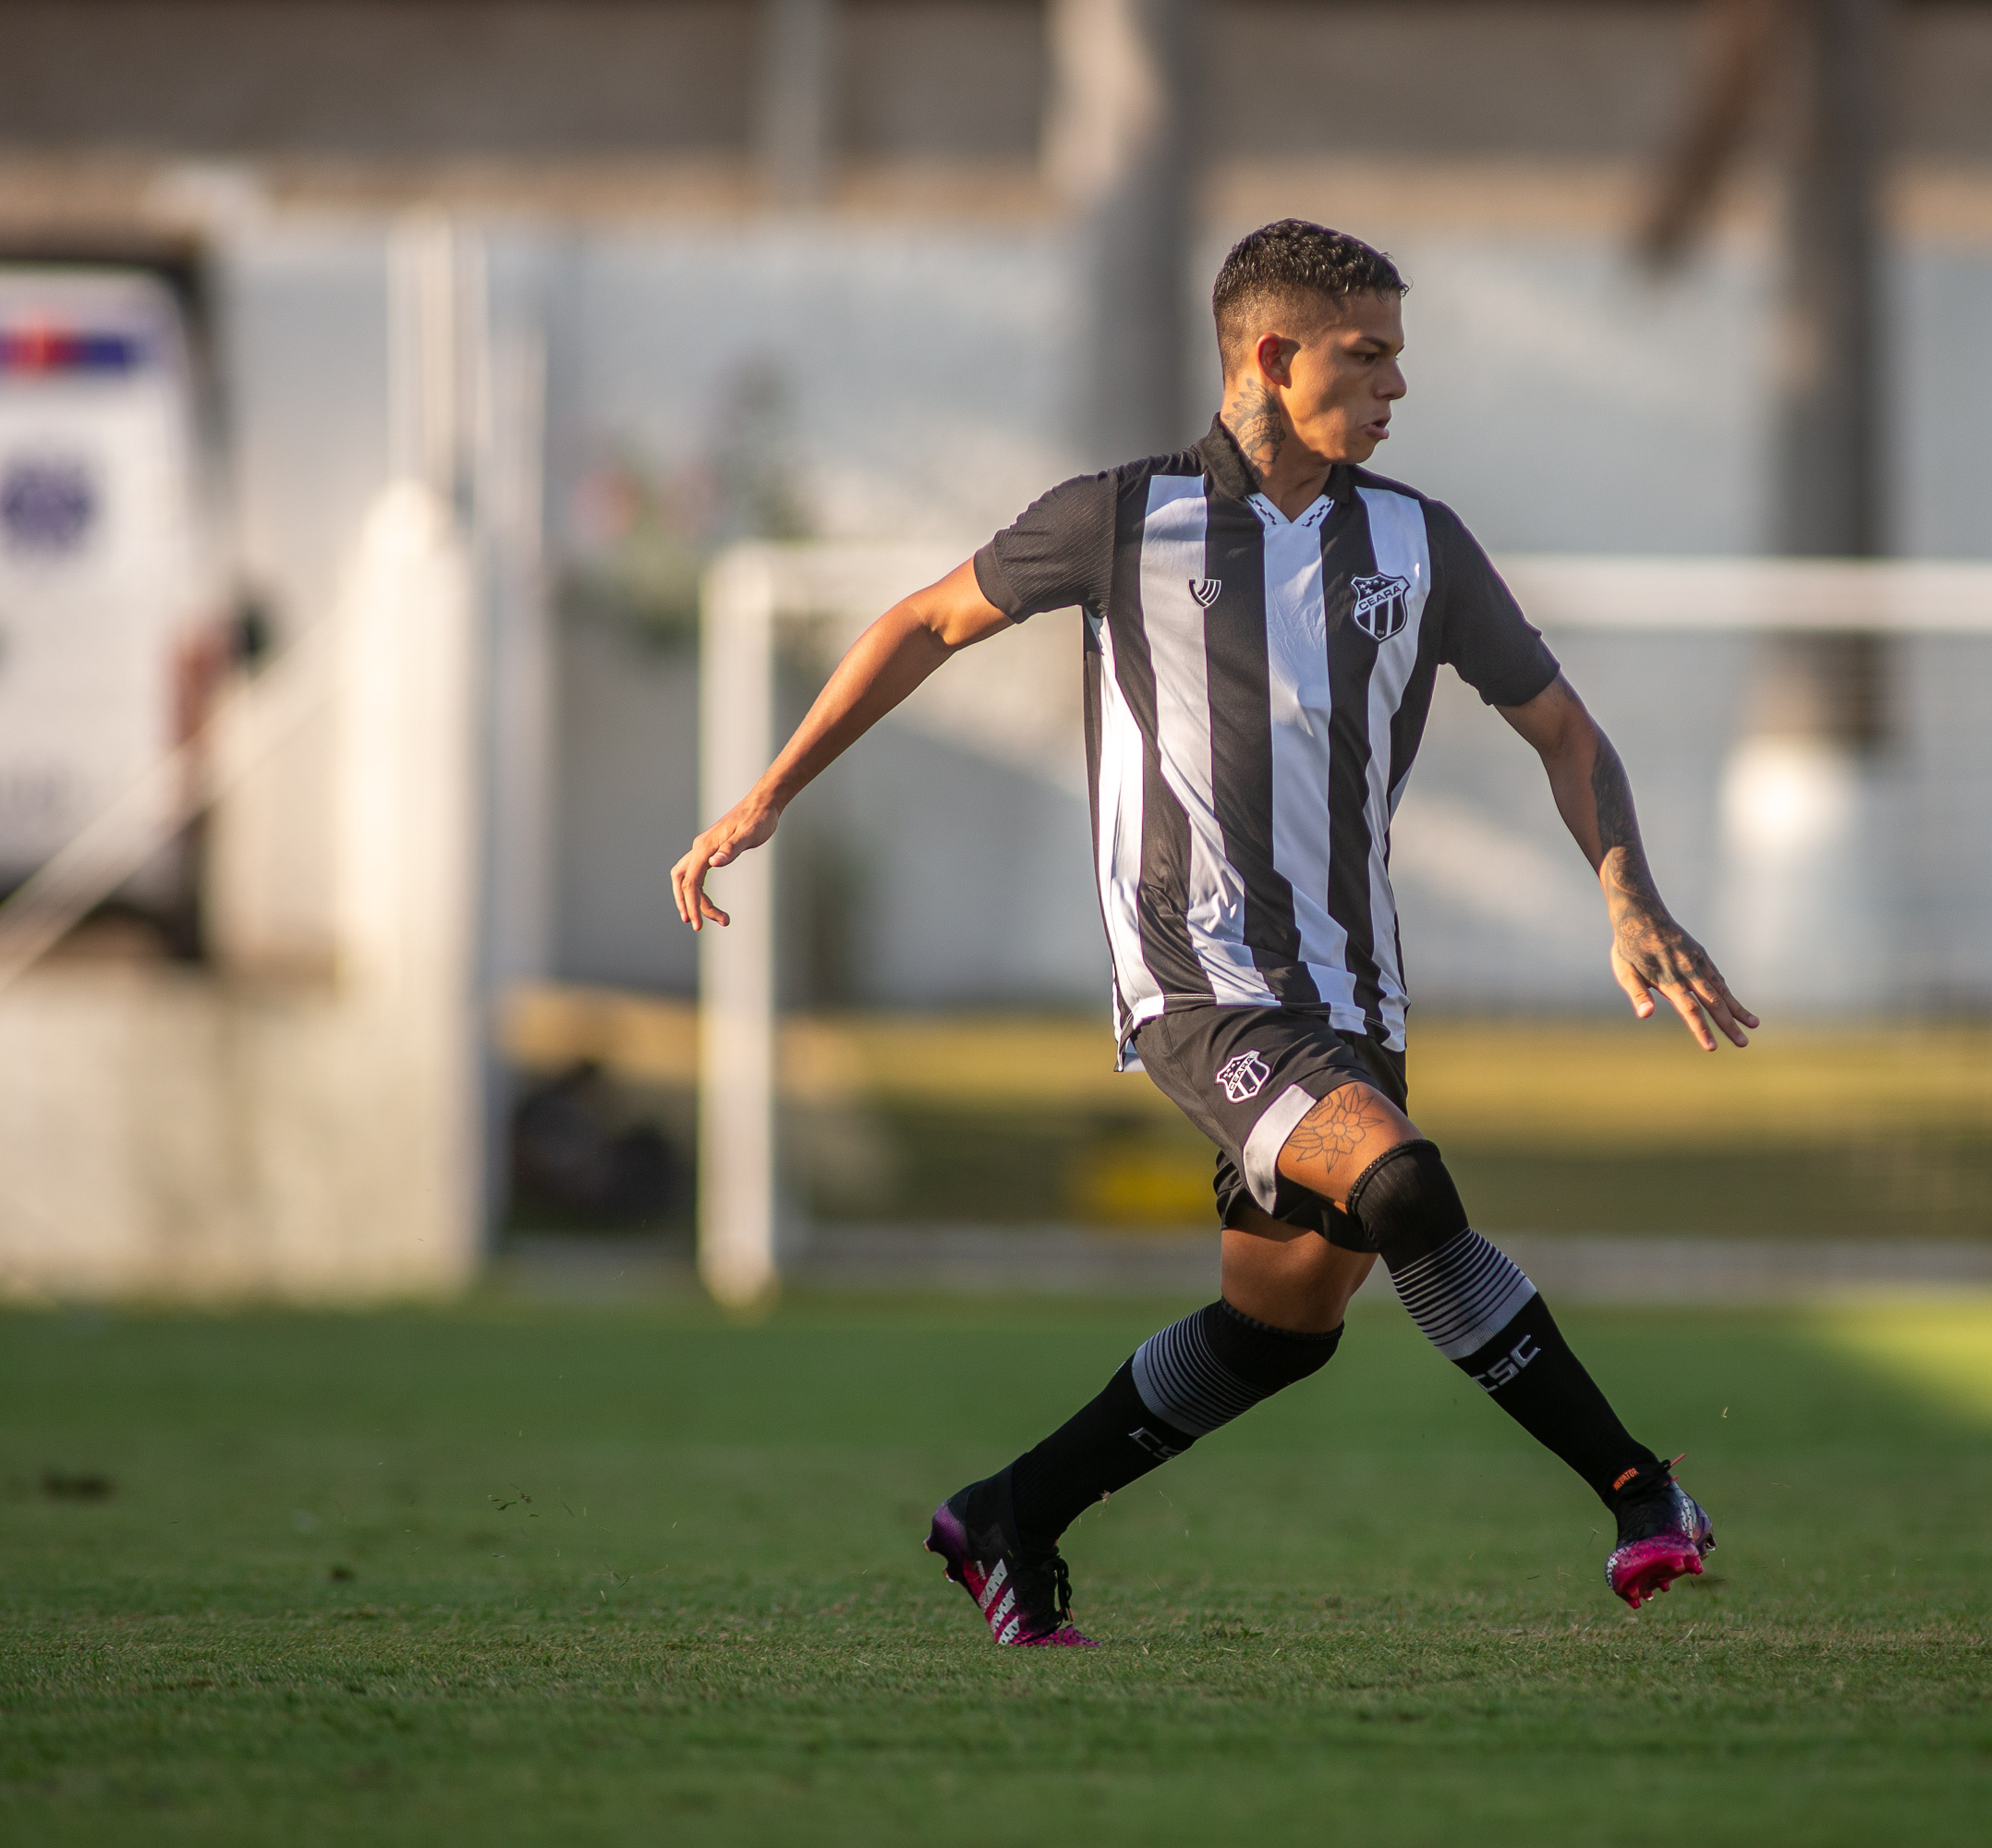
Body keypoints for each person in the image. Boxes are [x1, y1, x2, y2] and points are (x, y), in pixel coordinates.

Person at [672, 219, 1759, 1648]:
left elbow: (1562, 727)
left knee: (1281, 1331)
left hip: (1355, 995)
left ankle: (1006, 1516)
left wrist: (1628, 889)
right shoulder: (1122, 519)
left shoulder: (1416, 540)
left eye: (1397, 360)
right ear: (1270, 354)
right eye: (1368, 357)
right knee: (1406, 1190)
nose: (1395, 389)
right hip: (1198, 985)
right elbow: (927, 624)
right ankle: (1637, 1491)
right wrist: (761, 795)